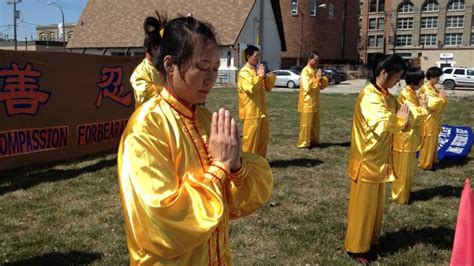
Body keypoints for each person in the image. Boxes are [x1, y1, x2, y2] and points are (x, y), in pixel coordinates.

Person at [117, 15, 273, 265]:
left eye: (215, 69)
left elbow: (240, 201)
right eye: (202, 67)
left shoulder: (204, 118)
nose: (211, 79)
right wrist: (220, 167)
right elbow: (163, 222)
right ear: (170, 65)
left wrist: (236, 167)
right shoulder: (146, 128)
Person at [345, 54, 410, 264]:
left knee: (375, 208)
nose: (397, 81)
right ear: (384, 73)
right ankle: (356, 248)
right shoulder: (370, 96)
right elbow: (383, 121)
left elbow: (403, 112)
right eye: (396, 76)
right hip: (367, 162)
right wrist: (401, 121)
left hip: (380, 161)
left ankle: (370, 241)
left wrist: (408, 118)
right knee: (363, 208)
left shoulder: (386, 95)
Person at [391, 70, 428, 204]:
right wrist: (424, 108)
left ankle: (404, 194)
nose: (423, 83)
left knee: (407, 171)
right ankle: (400, 197)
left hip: (409, 138)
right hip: (404, 139)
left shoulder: (412, 93)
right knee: (403, 171)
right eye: (421, 80)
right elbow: (414, 116)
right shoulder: (406, 94)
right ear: (414, 81)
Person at [237, 45, 276, 158]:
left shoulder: (257, 71)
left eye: (259, 55)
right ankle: (247, 163)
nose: (258, 58)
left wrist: (268, 75)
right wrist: (260, 77)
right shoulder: (244, 72)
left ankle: (260, 162)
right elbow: (251, 89)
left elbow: (268, 87)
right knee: (250, 141)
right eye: (256, 55)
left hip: (262, 112)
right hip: (251, 113)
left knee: (262, 141)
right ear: (248, 56)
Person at [130, 14, 163, 109]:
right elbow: (144, 97)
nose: (161, 52)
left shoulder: (163, 68)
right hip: (147, 120)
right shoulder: (140, 72)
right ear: (151, 48)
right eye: (157, 48)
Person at [297, 51, 329, 148]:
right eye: (315, 60)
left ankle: (314, 141)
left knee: (315, 124)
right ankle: (303, 143)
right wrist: (317, 79)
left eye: (318, 60)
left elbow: (322, 86)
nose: (316, 62)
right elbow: (307, 87)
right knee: (306, 125)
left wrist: (322, 79)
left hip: (315, 102)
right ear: (309, 59)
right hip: (307, 102)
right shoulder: (305, 71)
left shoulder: (315, 71)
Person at [418, 66, 448, 170]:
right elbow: (432, 103)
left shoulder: (433, 87)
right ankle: (425, 163)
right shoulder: (426, 88)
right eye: (437, 77)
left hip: (434, 118)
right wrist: (441, 98)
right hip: (428, 119)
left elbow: (440, 101)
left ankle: (432, 160)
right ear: (432, 76)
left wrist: (441, 99)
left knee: (434, 141)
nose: (439, 79)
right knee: (428, 141)